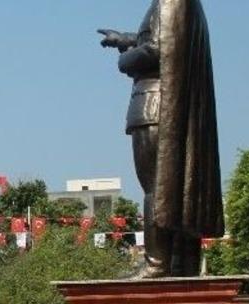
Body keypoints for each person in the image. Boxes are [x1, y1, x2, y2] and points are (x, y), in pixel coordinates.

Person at [98, 0, 223, 277]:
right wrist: (129, 39)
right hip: (170, 107)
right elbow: (167, 38)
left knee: (157, 190)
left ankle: (156, 263)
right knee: (179, 190)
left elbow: (156, 50)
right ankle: (181, 262)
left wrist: (125, 59)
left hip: (155, 108)